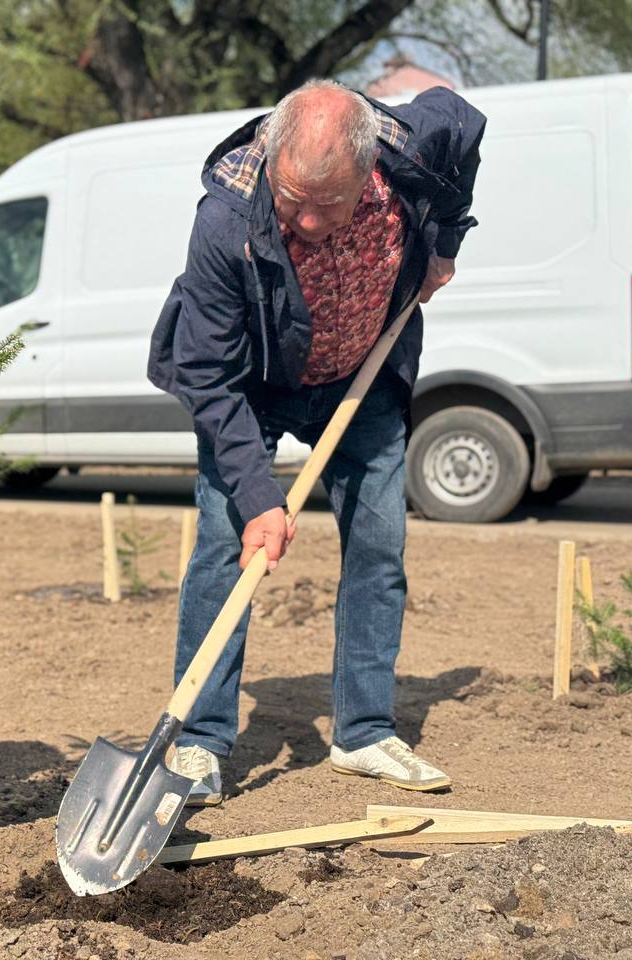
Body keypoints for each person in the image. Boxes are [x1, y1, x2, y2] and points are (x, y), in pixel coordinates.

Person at [148, 79, 485, 805]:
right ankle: (201, 741)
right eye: (290, 194)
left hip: (362, 373)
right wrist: (260, 494)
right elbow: (205, 371)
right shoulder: (226, 218)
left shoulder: (412, 148)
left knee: (378, 544)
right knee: (223, 546)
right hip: (253, 385)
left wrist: (444, 245)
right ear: (271, 156)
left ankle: (363, 732)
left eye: (325, 202)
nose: (302, 217)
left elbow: (464, 121)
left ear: (368, 174)